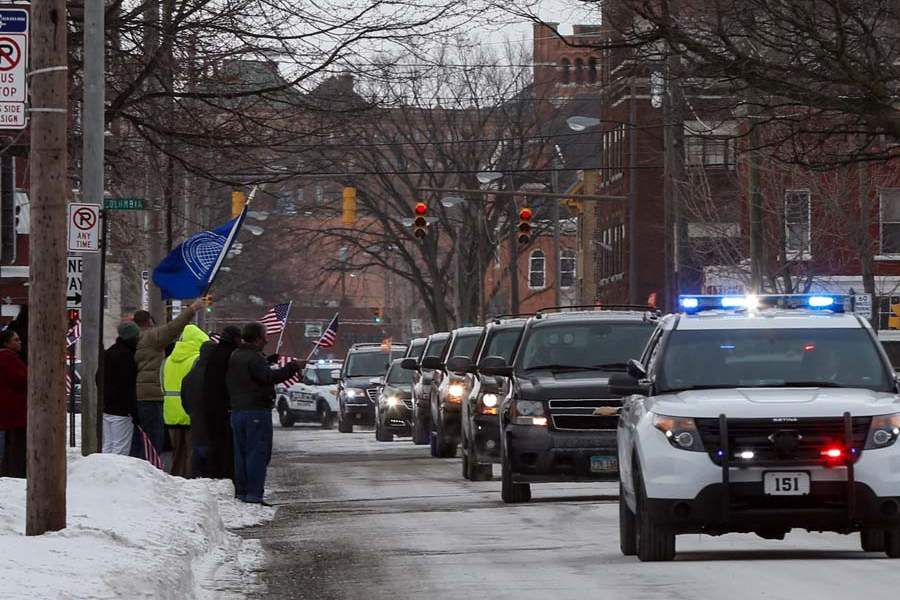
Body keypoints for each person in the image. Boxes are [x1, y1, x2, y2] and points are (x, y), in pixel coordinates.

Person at [227, 322, 302, 504]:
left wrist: (268, 361)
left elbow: (251, 374)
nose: (267, 340)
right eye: (265, 336)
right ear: (258, 338)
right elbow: (268, 378)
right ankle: (254, 494)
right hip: (256, 413)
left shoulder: (236, 355)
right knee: (257, 453)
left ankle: (243, 492)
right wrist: (292, 367)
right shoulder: (253, 358)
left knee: (241, 454)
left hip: (238, 411)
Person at [133, 298, 207, 458]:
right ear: (149, 322)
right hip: (152, 396)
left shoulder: (135, 339)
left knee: (142, 439)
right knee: (154, 440)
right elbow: (174, 328)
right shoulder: (151, 337)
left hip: (140, 394)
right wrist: (192, 309)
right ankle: (152, 470)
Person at [162, 324, 209, 477]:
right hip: (190, 413)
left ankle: (174, 479)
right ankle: (189, 481)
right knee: (191, 452)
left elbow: (162, 385)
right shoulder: (197, 360)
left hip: (171, 413)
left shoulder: (167, 361)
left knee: (176, 452)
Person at [200, 325, 242, 480]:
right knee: (226, 447)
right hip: (225, 408)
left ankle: (215, 476)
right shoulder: (231, 356)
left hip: (211, 407)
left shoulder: (214, 354)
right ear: (234, 338)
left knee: (215, 445)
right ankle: (226, 477)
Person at [100, 321, 140, 455]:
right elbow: (128, 386)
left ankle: (103, 473)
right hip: (122, 411)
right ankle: (114, 475)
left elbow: (97, 378)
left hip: (107, 408)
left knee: (108, 446)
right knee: (120, 450)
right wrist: (133, 411)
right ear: (132, 337)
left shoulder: (109, 353)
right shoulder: (127, 356)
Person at [181, 340, 216, 477]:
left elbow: (184, 401)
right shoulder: (215, 376)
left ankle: (197, 480)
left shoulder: (188, 377)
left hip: (195, 420)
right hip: (212, 423)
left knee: (197, 453)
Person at [0, 328, 27, 477]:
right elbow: (23, 379)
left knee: (10, 442)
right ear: (6, 343)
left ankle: (9, 471)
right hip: (15, 411)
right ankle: (15, 473)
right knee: (17, 445)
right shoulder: (9, 359)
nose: (20, 342)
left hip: (8, 410)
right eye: (15, 340)